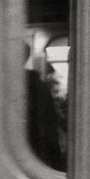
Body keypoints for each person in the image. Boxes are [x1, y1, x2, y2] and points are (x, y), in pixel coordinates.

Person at [24, 42, 65, 171]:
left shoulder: (2, 87)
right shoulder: (39, 86)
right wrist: (56, 158)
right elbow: (49, 126)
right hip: (37, 150)